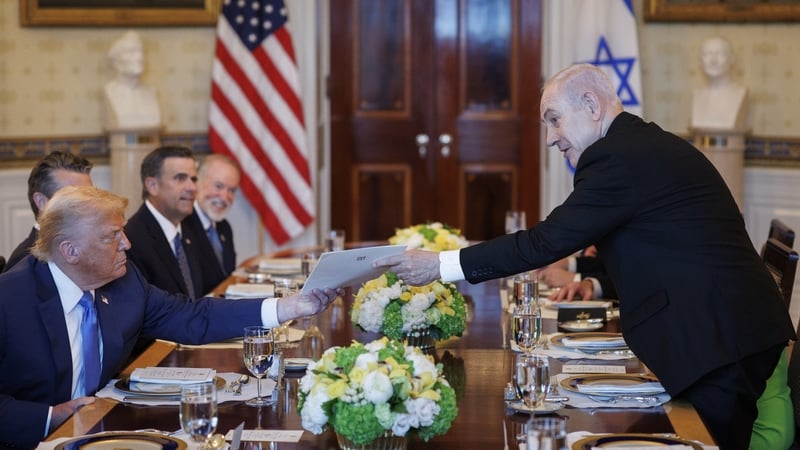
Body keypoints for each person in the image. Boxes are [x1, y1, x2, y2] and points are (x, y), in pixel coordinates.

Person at [375, 63, 795, 450]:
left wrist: (440, 265)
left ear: (591, 105)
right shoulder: (636, 145)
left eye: (554, 119)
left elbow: (547, 241)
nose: (550, 137)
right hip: (723, 334)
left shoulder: (619, 156)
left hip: (719, 343)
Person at [0, 185, 342, 449]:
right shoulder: (10, 300)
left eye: (123, 231)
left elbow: (193, 317)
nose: (127, 244)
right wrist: (49, 417)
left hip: (105, 431)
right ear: (70, 251)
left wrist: (289, 307)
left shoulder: (124, 282)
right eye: (111, 237)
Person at [125, 145, 205, 298]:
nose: (192, 187)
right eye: (180, 178)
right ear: (153, 186)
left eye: (193, 179)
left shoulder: (191, 229)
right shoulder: (132, 240)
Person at [3, 151, 93, 272]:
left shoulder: (92, 245)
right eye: (74, 197)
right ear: (41, 202)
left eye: (91, 196)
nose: (90, 205)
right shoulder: (25, 263)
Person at [182, 154, 241, 293]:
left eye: (231, 190)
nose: (225, 197)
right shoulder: (182, 226)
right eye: (218, 186)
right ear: (197, 183)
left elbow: (227, 279)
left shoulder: (224, 227)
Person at [103, 30, 161, 129]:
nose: (140, 57)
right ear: (116, 62)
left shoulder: (151, 91)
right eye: (131, 52)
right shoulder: (109, 91)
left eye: (141, 52)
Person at [691, 36, 747, 131]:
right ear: (700, 60)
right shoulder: (696, 94)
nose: (713, 61)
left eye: (720, 54)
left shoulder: (740, 93)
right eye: (707, 54)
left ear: (732, 59)